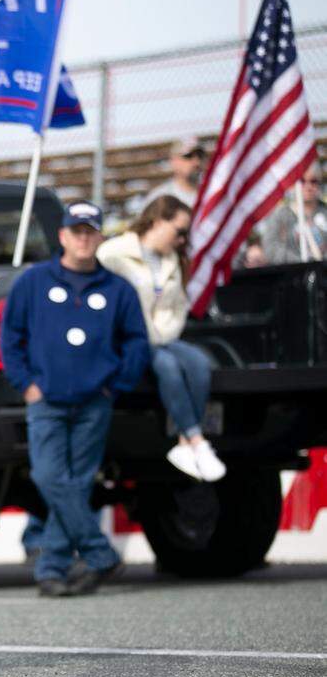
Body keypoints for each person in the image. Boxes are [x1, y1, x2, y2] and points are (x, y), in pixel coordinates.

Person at [0, 201, 149, 597]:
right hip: (46, 400)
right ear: (63, 236)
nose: (84, 238)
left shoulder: (118, 289)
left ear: (100, 236)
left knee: (78, 484)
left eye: (90, 231)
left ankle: (51, 568)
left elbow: (136, 341)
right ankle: (100, 552)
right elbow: (10, 338)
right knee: (50, 477)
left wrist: (115, 385)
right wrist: (26, 384)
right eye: (76, 231)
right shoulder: (33, 282)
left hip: (94, 402)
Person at [99, 196, 226, 481]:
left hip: (162, 336)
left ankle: (184, 442)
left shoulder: (173, 260)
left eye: (186, 234)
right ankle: (196, 440)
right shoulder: (113, 254)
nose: (183, 240)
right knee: (167, 366)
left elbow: (178, 305)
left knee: (199, 364)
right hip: (129, 339)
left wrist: (162, 334)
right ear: (156, 222)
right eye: (179, 231)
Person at [257, 164, 327, 265]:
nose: (308, 186)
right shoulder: (281, 214)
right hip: (291, 275)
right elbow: (271, 248)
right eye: (302, 181)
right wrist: (301, 263)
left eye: (313, 181)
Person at [128, 136, 206, 215]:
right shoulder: (159, 197)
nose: (196, 162)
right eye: (188, 156)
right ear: (173, 161)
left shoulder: (211, 194)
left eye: (200, 156)